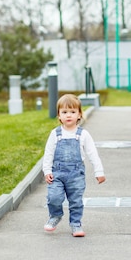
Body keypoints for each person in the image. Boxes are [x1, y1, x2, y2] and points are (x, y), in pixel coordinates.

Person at [42, 94, 106, 237]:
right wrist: (47, 170)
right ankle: (55, 216)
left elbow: (92, 154)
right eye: (64, 112)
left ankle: (76, 224)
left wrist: (99, 171)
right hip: (57, 174)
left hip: (76, 175)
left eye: (72, 112)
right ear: (59, 115)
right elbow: (48, 153)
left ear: (79, 114)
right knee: (54, 197)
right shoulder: (55, 134)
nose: (68, 115)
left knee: (76, 201)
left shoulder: (83, 134)